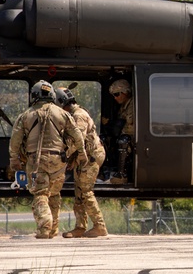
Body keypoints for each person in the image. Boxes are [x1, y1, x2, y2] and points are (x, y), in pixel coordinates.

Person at [8, 80, 88, 239]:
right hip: (59, 160)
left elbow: (15, 140)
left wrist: (14, 159)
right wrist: (81, 153)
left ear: (35, 95)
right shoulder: (62, 113)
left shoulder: (26, 115)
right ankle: (53, 229)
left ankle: (45, 227)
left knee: (41, 193)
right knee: (54, 193)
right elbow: (77, 135)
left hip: (37, 161)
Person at [57, 86, 109, 238]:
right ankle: (80, 227)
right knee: (79, 192)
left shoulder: (79, 116)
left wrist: (62, 155)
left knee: (85, 192)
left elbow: (77, 140)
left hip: (91, 157)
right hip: (84, 157)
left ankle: (100, 226)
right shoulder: (73, 114)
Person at [105, 78, 135, 184]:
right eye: (113, 95)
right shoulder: (123, 107)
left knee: (123, 141)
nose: (115, 98)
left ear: (126, 92)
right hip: (126, 138)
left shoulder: (133, 105)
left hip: (132, 141)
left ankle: (121, 175)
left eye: (117, 94)